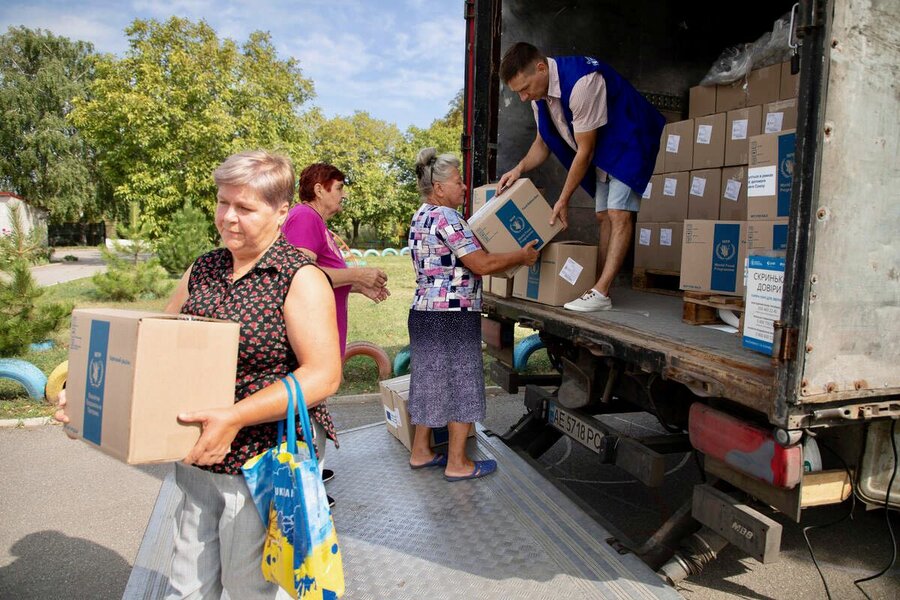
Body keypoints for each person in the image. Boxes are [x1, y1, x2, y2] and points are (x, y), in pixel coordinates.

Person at [56, 150, 342, 599]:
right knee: (189, 580)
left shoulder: (298, 277)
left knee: (254, 586)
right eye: (223, 202)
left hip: (263, 456)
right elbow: (155, 345)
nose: (228, 217)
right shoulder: (205, 268)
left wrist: (235, 416)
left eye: (245, 207)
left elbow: (323, 375)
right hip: (198, 451)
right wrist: (89, 400)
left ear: (281, 211)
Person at [497, 42, 665, 312]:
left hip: (629, 138)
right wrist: (519, 168)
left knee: (618, 212)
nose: (523, 97)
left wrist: (563, 199)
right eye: (518, 92)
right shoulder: (538, 98)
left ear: (541, 68)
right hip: (604, 148)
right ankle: (595, 284)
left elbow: (584, 152)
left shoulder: (582, 83)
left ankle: (602, 292)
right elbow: (544, 142)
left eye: (524, 88)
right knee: (602, 215)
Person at [407, 147, 539, 481]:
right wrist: (521, 256)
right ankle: (458, 463)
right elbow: (480, 263)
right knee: (461, 384)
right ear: (439, 188)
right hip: (452, 314)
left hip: (423, 312)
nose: (464, 187)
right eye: (457, 182)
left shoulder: (420, 215)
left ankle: (421, 451)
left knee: (429, 381)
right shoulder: (448, 218)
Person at [282, 162, 389, 500]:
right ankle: (304, 486)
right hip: (311, 336)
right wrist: (358, 275)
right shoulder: (305, 218)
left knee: (314, 407)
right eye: (338, 188)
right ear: (319, 189)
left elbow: (324, 277)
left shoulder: (316, 222)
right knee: (307, 408)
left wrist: (359, 286)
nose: (342, 195)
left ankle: (309, 472)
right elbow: (300, 274)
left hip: (322, 334)